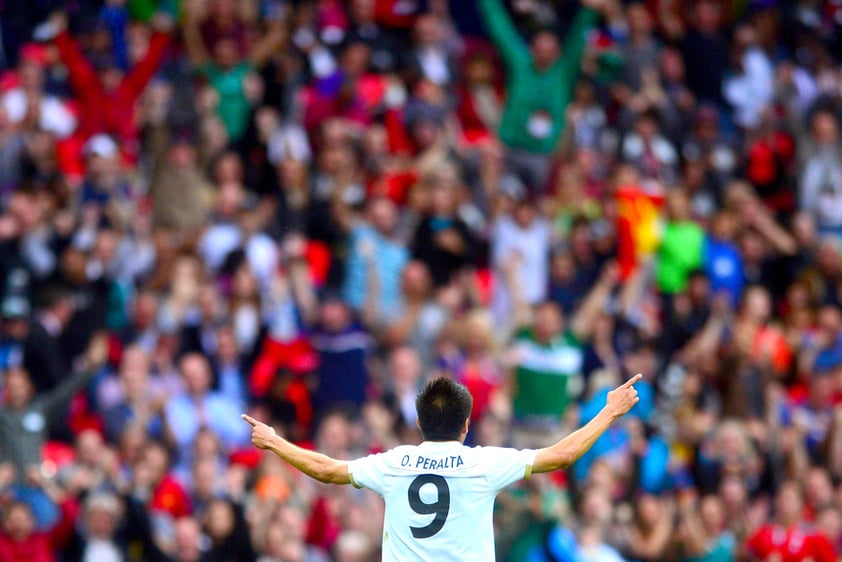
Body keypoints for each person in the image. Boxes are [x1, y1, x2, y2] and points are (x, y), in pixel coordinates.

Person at [242, 373, 643, 561]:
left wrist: (275, 442)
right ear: (466, 426)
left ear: (418, 423)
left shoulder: (394, 462)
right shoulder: (483, 462)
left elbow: (327, 469)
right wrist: (608, 412)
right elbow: (562, 455)